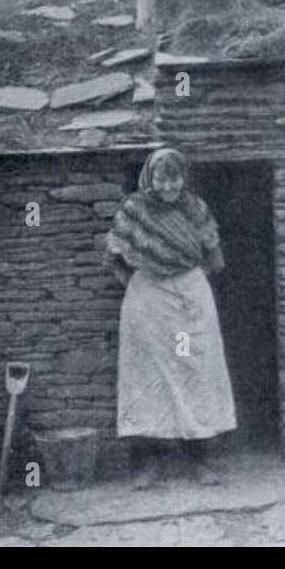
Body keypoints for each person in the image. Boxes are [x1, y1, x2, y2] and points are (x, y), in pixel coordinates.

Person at [106, 148, 237, 488]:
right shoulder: (133, 211)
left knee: (193, 370)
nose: (169, 186)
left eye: (175, 178)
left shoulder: (195, 209)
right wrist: (145, 285)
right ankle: (148, 464)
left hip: (188, 304)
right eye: (162, 178)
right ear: (150, 177)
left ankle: (201, 461)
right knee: (147, 377)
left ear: (184, 178)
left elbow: (216, 259)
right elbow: (115, 259)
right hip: (148, 303)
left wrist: (188, 283)